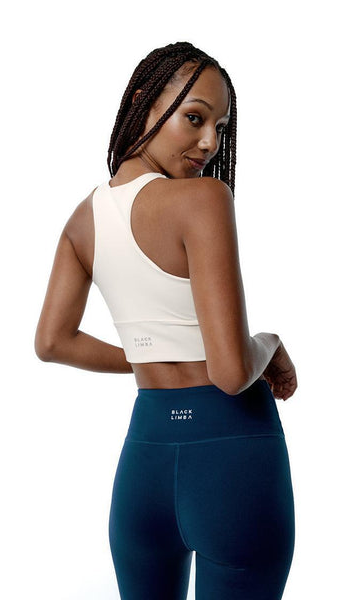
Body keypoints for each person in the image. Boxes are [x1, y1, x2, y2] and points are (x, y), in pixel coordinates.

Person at [34, 41, 297, 600]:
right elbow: (231, 373)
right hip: (233, 461)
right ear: (143, 102)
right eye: (194, 118)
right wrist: (269, 344)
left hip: (144, 464)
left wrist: (146, 355)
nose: (210, 143)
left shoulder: (83, 221)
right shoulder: (203, 199)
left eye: (220, 127)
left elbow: (53, 342)